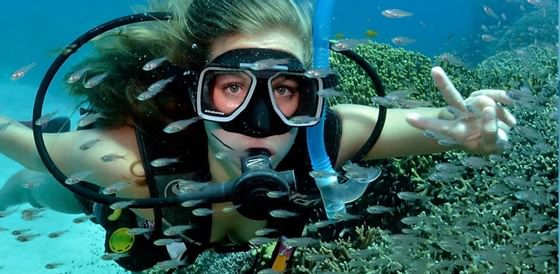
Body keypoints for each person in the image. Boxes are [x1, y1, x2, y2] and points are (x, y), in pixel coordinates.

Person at [0, 0, 516, 272]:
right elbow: (16, 140)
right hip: (127, 204)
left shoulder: (330, 137)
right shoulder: (121, 160)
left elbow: (445, 130)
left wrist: (473, 131)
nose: (261, 123)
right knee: (45, 187)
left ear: (312, 95)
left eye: (287, 90)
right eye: (231, 88)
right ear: (194, 90)